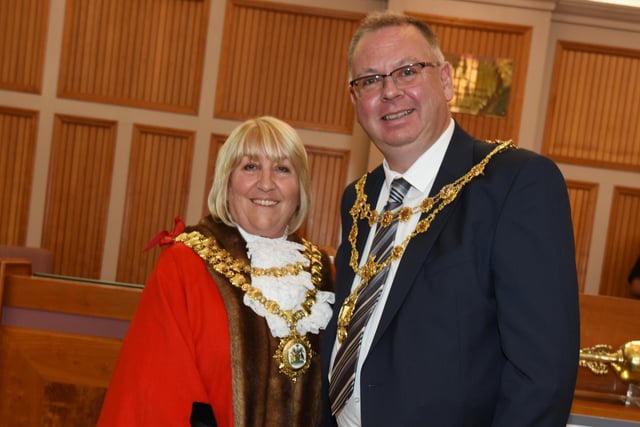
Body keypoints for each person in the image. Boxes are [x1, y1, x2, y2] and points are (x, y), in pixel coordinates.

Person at [321, 11, 580, 427]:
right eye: (369, 80)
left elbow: (542, 375)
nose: (389, 91)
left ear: (445, 80)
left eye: (407, 71)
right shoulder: (358, 198)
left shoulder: (515, 183)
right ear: (355, 101)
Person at [98, 116, 335, 427]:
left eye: (282, 168)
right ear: (226, 182)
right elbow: (157, 394)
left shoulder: (327, 274)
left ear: (300, 189)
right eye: (250, 167)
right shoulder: (185, 264)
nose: (266, 182)